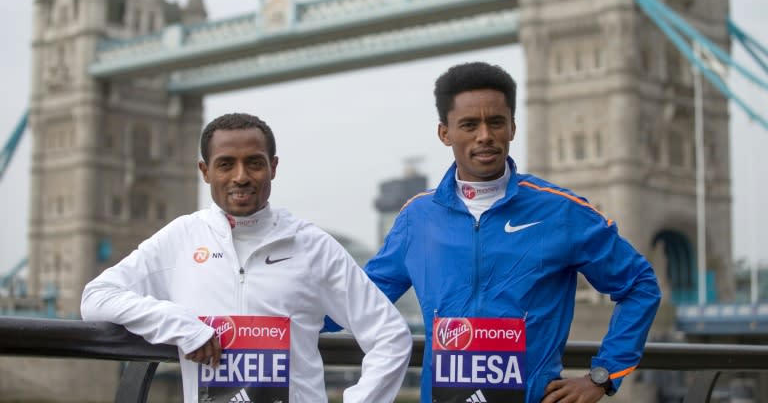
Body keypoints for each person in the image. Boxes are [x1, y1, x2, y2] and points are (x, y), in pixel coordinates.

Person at [360, 62, 662, 403]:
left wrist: (603, 376)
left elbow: (639, 285)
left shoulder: (562, 211)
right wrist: (292, 315)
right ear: (445, 133)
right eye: (469, 125)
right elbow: (355, 299)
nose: (484, 135)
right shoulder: (417, 218)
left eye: (496, 122)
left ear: (513, 128)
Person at [81, 113, 412, 403]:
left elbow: (390, 336)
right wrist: (180, 325)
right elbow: (97, 297)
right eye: (226, 164)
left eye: (254, 162)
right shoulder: (181, 238)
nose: (241, 176)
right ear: (205, 171)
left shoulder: (312, 245)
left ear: (273, 167)